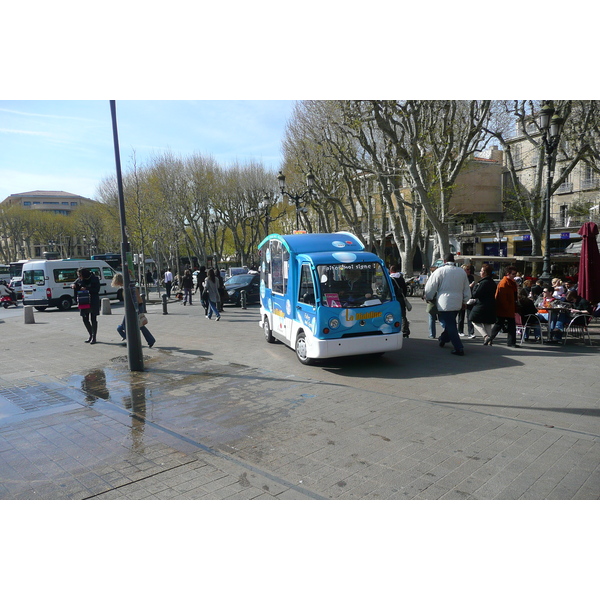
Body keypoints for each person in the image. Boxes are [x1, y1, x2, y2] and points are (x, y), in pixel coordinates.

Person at [424, 253, 471, 356]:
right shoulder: (461, 272)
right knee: (451, 323)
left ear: (444, 261)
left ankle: (458, 347)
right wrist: (465, 301)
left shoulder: (440, 271)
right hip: (457, 301)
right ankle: (443, 339)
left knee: (450, 325)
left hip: (444, 302)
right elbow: (466, 288)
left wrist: (428, 297)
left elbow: (430, 287)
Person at [112, 273, 155, 348]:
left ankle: (130, 339)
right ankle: (149, 340)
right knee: (134, 325)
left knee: (137, 325)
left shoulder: (128, 287)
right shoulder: (128, 287)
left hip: (135, 307)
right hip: (135, 307)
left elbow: (135, 299)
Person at [489, 266, 519, 347]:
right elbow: (502, 297)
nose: (514, 275)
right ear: (507, 273)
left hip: (508, 307)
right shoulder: (504, 283)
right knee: (500, 324)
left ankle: (510, 342)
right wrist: (506, 307)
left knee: (506, 325)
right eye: (513, 274)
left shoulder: (511, 282)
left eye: (515, 274)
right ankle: (489, 339)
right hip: (505, 308)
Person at [469, 264, 497, 345]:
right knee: (487, 323)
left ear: (485, 273)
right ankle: (490, 340)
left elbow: (476, 294)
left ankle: (486, 336)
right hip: (491, 305)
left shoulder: (483, 283)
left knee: (473, 319)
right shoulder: (492, 282)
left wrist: (472, 288)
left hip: (481, 305)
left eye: (481, 271)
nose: (480, 272)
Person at [72, 267, 101, 344]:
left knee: (93, 318)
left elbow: (97, 290)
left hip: (93, 301)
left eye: (80, 275)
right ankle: (90, 334)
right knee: (85, 318)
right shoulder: (80, 279)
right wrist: (74, 285)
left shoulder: (94, 278)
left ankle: (94, 337)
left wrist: (87, 288)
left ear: (84, 275)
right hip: (83, 301)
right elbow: (75, 282)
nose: (79, 277)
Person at [390, 265, 410, 338]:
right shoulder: (401, 278)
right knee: (403, 315)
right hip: (401, 298)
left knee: (392, 315)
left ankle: (395, 328)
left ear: (391, 271)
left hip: (393, 300)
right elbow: (405, 289)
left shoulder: (390, 278)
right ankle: (405, 330)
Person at [458, 264, 476, 338]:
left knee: (470, 316)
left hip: (470, 298)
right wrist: (469, 287)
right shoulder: (460, 278)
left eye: (469, 269)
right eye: (467, 270)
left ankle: (471, 333)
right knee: (461, 316)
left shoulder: (471, 277)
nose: (469, 271)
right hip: (462, 299)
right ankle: (460, 331)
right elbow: (460, 288)